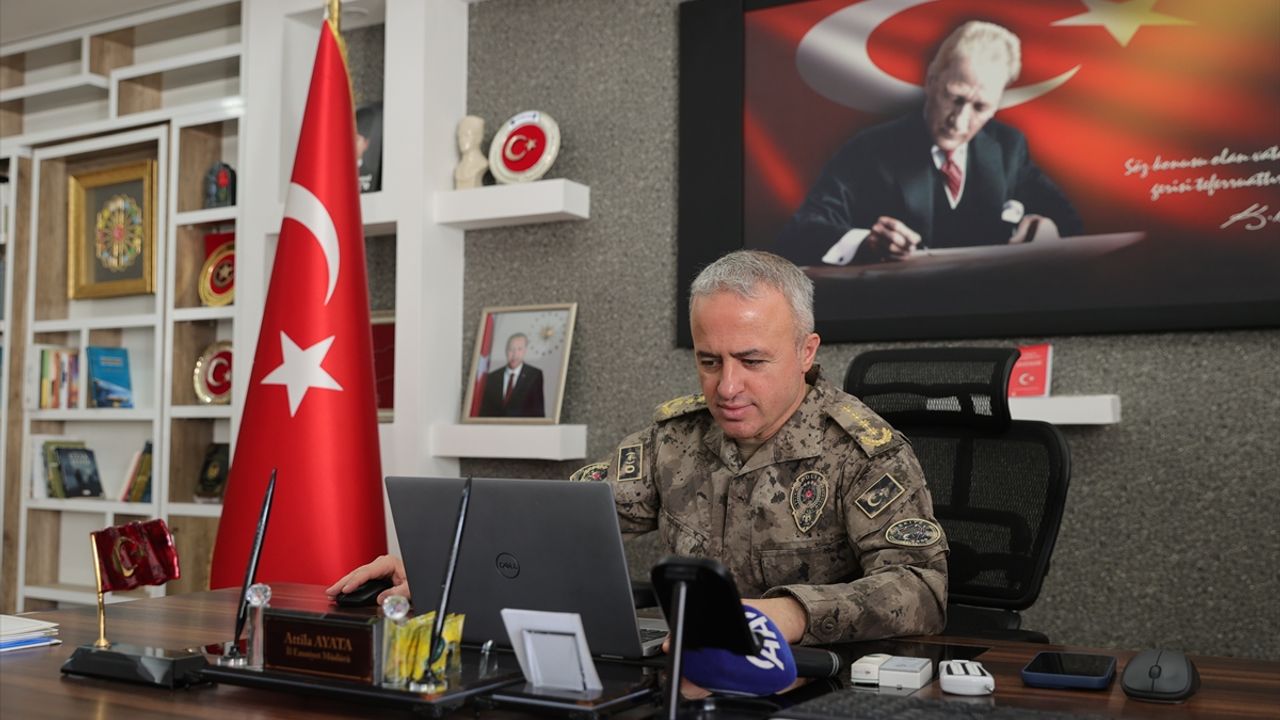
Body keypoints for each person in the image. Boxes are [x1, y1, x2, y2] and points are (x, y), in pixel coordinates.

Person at [330, 250, 947, 649]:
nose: (727, 387)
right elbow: (561, 519)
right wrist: (437, 563)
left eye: (752, 361)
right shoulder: (677, 439)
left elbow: (921, 588)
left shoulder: (863, 453)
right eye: (710, 361)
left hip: (808, 687)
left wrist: (787, 614)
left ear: (806, 352)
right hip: (683, 678)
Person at [776, 21, 1082, 266]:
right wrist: (866, 242)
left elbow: (1070, 222)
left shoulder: (1008, 147)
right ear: (931, 80)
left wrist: (1049, 232)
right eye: (955, 98)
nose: (959, 122)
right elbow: (800, 234)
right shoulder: (869, 150)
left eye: (980, 107)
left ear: (996, 105)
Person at [476, 332, 545, 418]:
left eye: (519, 349)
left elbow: (538, 413)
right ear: (506, 351)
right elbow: (484, 412)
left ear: (525, 351)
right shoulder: (492, 377)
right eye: (511, 349)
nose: (514, 354)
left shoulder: (534, 375)